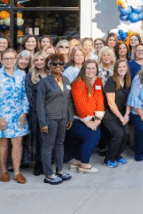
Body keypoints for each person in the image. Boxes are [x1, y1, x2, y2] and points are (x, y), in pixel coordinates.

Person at [0, 49, 30, 183]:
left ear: (15, 59)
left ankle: (17, 172)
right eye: (6, 59)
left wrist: (24, 112)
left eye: (11, 58)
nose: (9, 61)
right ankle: (3, 171)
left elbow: (25, 94)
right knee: (3, 143)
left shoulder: (22, 74)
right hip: (1, 114)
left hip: (18, 114)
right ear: (2, 60)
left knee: (17, 142)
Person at [36, 54, 74, 185]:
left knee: (60, 144)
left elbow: (68, 100)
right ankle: (48, 174)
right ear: (49, 65)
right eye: (54, 63)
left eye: (61, 63)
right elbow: (39, 104)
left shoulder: (67, 80)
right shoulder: (44, 82)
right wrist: (43, 122)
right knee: (48, 146)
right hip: (50, 119)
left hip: (63, 118)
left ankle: (59, 170)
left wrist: (70, 117)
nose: (58, 66)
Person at [67, 61, 103, 173]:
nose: (91, 71)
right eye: (88, 68)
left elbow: (99, 99)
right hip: (78, 119)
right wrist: (87, 121)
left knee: (94, 133)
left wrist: (98, 119)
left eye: (93, 68)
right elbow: (79, 105)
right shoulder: (78, 83)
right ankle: (84, 165)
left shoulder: (98, 81)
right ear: (83, 69)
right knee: (93, 135)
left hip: (92, 118)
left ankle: (77, 161)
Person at [102, 59, 131, 168]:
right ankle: (109, 158)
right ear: (116, 69)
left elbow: (130, 99)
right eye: (120, 67)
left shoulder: (128, 81)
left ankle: (118, 155)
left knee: (126, 132)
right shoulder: (111, 81)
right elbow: (111, 103)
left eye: (124, 66)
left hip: (123, 112)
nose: (122, 69)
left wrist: (127, 114)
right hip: (109, 113)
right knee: (118, 134)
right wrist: (121, 117)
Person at [23, 51, 47, 176]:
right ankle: (39, 162)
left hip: (51, 112)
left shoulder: (51, 75)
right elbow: (30, 96)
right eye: (36, 60)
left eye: (41, 60)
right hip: (36, 113)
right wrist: (39, 111)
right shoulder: (29, 76)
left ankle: (48, 161)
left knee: (49, 138)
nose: (39, 62)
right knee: (38, 138)